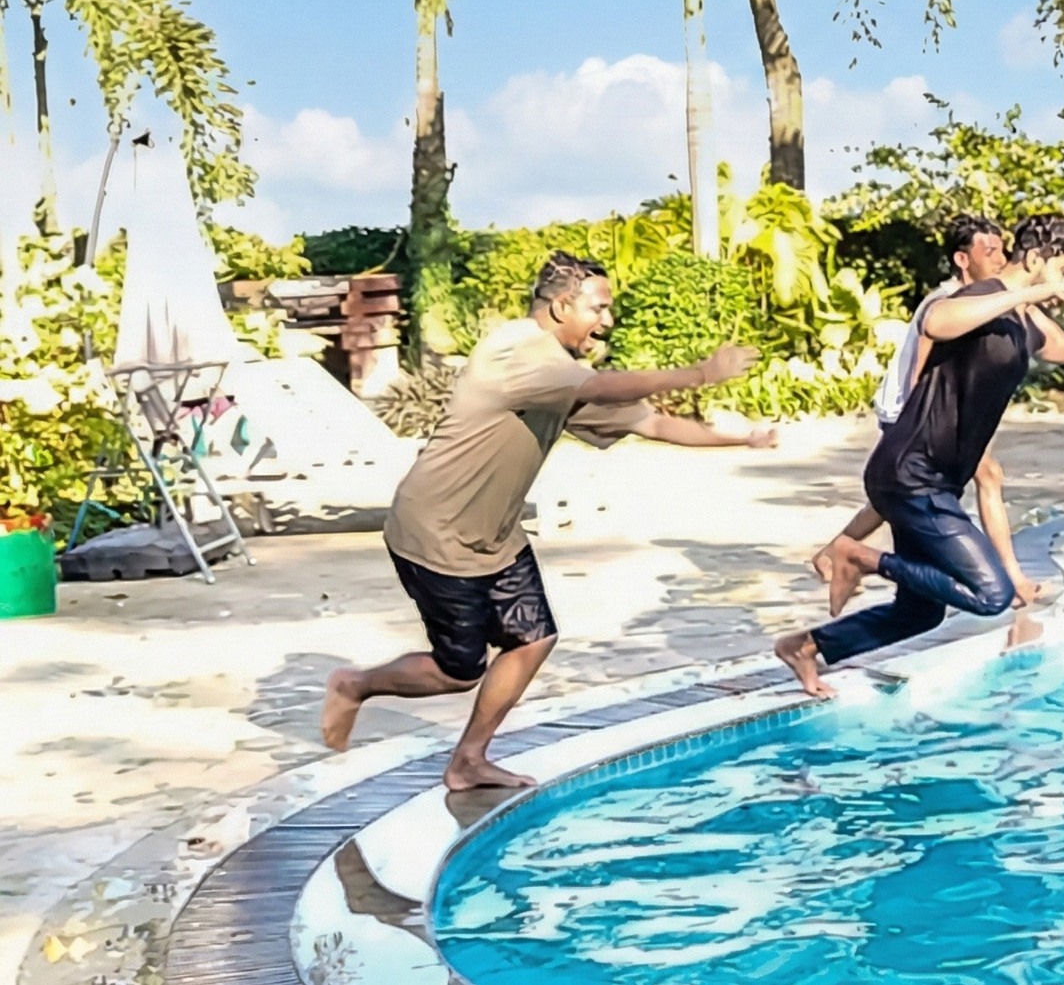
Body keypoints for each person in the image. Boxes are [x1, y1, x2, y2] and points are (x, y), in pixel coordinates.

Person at [320, 251, 772, 790]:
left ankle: (468, 760)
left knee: (533, 639)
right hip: (435, 531)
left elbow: (653, 424)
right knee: (458, 672)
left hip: (497, 537)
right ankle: (355, 685)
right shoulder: (513, 350)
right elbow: (599, 388)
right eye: (598, 308)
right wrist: (699, 374)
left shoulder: (563, 377)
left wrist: (744, 439)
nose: (607, 321)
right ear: (560, 307)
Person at [779, 215, 1064, 698]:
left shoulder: (1021, 315)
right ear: (1036, 259)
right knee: (992, 594)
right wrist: (1034, 291)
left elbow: (1059, 345)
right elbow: (935, 321)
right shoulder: (978, 297)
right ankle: (857, 555)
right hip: (911, 472)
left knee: (919, 612)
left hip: (933, 479)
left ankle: (806, 647)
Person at [811, 214, 1064, 607]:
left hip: (934, 414)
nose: (1000, 258)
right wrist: (917, 412)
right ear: (962, 259)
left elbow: (1045, 337)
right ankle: (1010, 579)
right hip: (912, 408)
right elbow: (925, 353)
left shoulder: (999, 298)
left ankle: (836, 552)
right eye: (989, 251)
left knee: (903, 496)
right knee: (967, 479)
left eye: (1002, 249)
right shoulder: (950, 299)